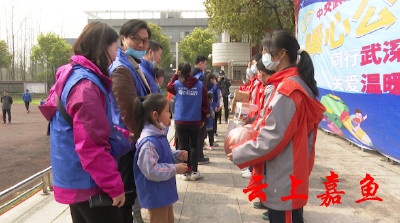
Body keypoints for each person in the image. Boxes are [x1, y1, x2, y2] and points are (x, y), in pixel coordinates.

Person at [227, 30, 326, 223]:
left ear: (281, 54)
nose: (263, 58)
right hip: (284, 175)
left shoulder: (288, 90)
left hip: (285, 178)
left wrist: (240, 152)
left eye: (266, 52)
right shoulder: (289, 85)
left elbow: (273, 139)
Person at [38, 22, 125, 223]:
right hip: (89, 183)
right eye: (115, 48)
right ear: (104, 47)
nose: (116, 55)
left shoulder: (70, 75)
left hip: (72, 177)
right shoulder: (86, 86)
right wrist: (114, 186)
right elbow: (91, 146)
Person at [108, 19, 151, 223]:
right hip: (128, 141)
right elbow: (129, 111)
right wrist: (145, 140)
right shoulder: (122, 68)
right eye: (137, 40)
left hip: (132, 140)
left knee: (130, 193)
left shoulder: (134, 65)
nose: (142, 45)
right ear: (123, 39)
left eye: (145, 41)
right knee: (126, 196)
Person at [132, 94, 188, 223]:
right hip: (155, 194)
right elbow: (152, 170)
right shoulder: (148, 142)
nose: (170, 114)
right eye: (167, 111)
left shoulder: (159, 134)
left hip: (163, 190)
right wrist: (175, 168)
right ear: (155, 115)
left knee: (169, 219)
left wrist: (176, 156)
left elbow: (163, 156)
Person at [167, 62, 208, 181]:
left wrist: (175, 75)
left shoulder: (177, 84)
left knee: (183, 146)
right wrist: (202, 118)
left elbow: (169, 87)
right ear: (190, 71)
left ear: (180, 71)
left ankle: (184, 172)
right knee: (194, 145)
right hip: (195, 120)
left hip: (180, 120)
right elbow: (205, 103)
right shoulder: (200, 85)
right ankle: (194, 171)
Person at [192, 55, 210, 164]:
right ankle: (199, 156)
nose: (205, 65)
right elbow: (204, 95)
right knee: (200, 134)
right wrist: (206, 111)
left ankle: (195, 157)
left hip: (190, 109)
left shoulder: (189, 74)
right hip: (199, 110)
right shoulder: (201, 77)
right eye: (205, 63)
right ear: (200, 63)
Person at [205, 72, 219, 147]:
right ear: (211, 79)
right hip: (211, 108)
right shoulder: (213, 88)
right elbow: (216, 98)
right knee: (212, 124)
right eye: (214, 79)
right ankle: (211, 141)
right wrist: (217, 105)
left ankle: (204, 142)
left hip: (206, 108)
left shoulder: (205, 86)